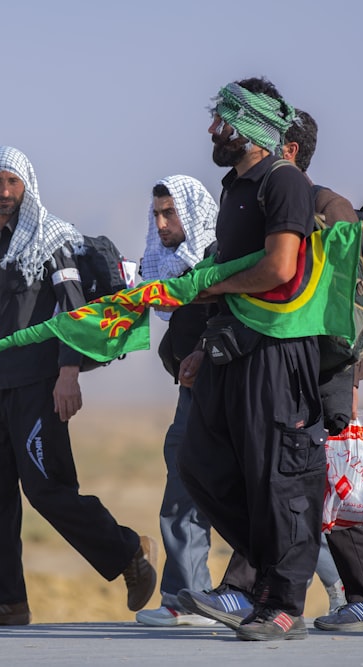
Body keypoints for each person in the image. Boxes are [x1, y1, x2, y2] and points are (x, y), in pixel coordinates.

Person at [179, 109, 363, 633]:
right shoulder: (257, 198)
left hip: (319, 367)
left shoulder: (325, 205)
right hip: (260, 359)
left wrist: (342, 390)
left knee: (307, 485)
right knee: (279, 482)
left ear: (290, 151)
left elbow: (343, 304)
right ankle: (254, 589)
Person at [0, 146, 158, 626]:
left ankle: (129, 552)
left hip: (39, 383)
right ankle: (4, 600)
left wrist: (68, 374)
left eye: (12, 183)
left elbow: (74, 309)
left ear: (27, 187)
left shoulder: (51, 238)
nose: (4, 193)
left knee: (47, 487)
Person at [174, 77, 327, 642]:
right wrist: (199, 347)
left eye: (224, 121)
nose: (214, 131)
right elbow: (236, 268)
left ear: (255, 127)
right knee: (202, 462)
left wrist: (212, 290)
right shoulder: (235, 186)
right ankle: (269, 574)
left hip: (278, 352)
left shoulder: (283, 181)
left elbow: (279, 268)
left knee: (279, 477)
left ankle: (284, 602)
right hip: (229, 347)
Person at [134, 176, 220, 627]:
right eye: (157, 215)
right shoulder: (180, 266)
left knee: (257, 493)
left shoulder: (216, 258)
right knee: (185, 484)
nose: (162, 223)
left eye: (170, 214)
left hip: (223, 392)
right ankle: (189, 598)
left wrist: (203, 351)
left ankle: (342, 585)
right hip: (194, 393)